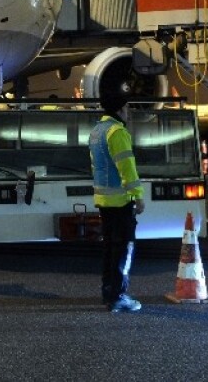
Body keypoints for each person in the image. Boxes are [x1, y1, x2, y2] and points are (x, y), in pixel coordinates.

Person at [88, 96, 144, 313]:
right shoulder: (117, 132)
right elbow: (127, 167)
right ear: (120, 109)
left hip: (104, 200)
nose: (128, 112)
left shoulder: (97, 131)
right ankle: (119, 297)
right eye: (127, 107)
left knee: (110, 249)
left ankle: (108, 292)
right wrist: (137, 195)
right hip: (121, 202)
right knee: (124, 250)